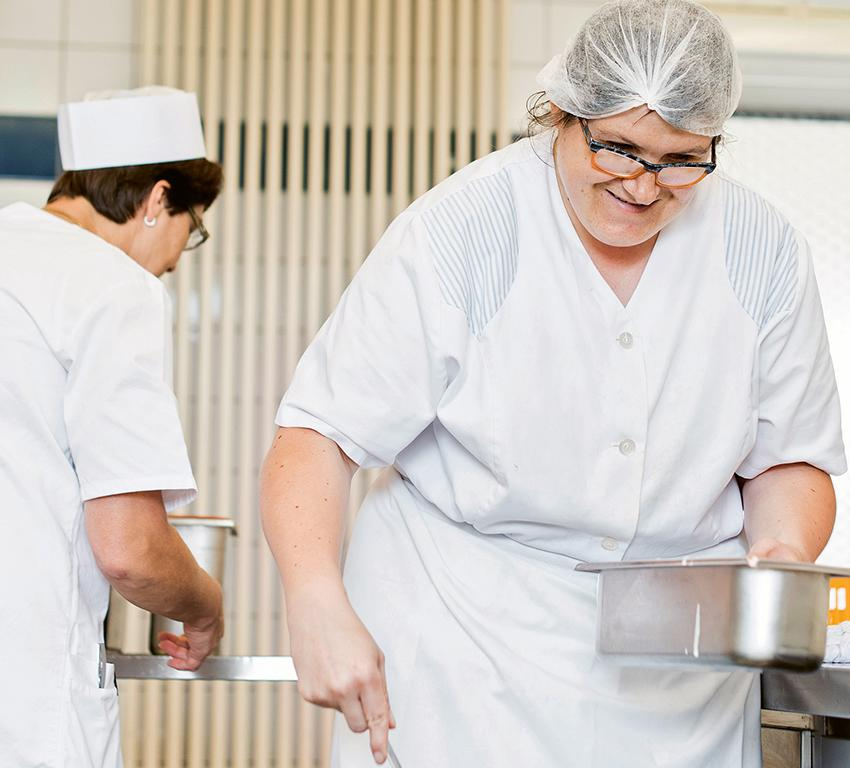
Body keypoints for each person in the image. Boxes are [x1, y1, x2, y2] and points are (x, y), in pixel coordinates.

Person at [260, 1, 846, 765]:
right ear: (562, 113)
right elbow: (317, 435)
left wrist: (777, 554)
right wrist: (314, 600)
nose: (644, 185)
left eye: (680, 160)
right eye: (619, 149)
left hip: (678, 671)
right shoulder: (465, 228)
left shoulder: (760, 249)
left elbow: (789, 458)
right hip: (462, 641)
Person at [0, 87, 225, 768]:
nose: (180, 256)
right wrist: (206, 605)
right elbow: (129, 548)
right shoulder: (109, 285)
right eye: (193, 228)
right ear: (158, 201)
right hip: (27, 701)